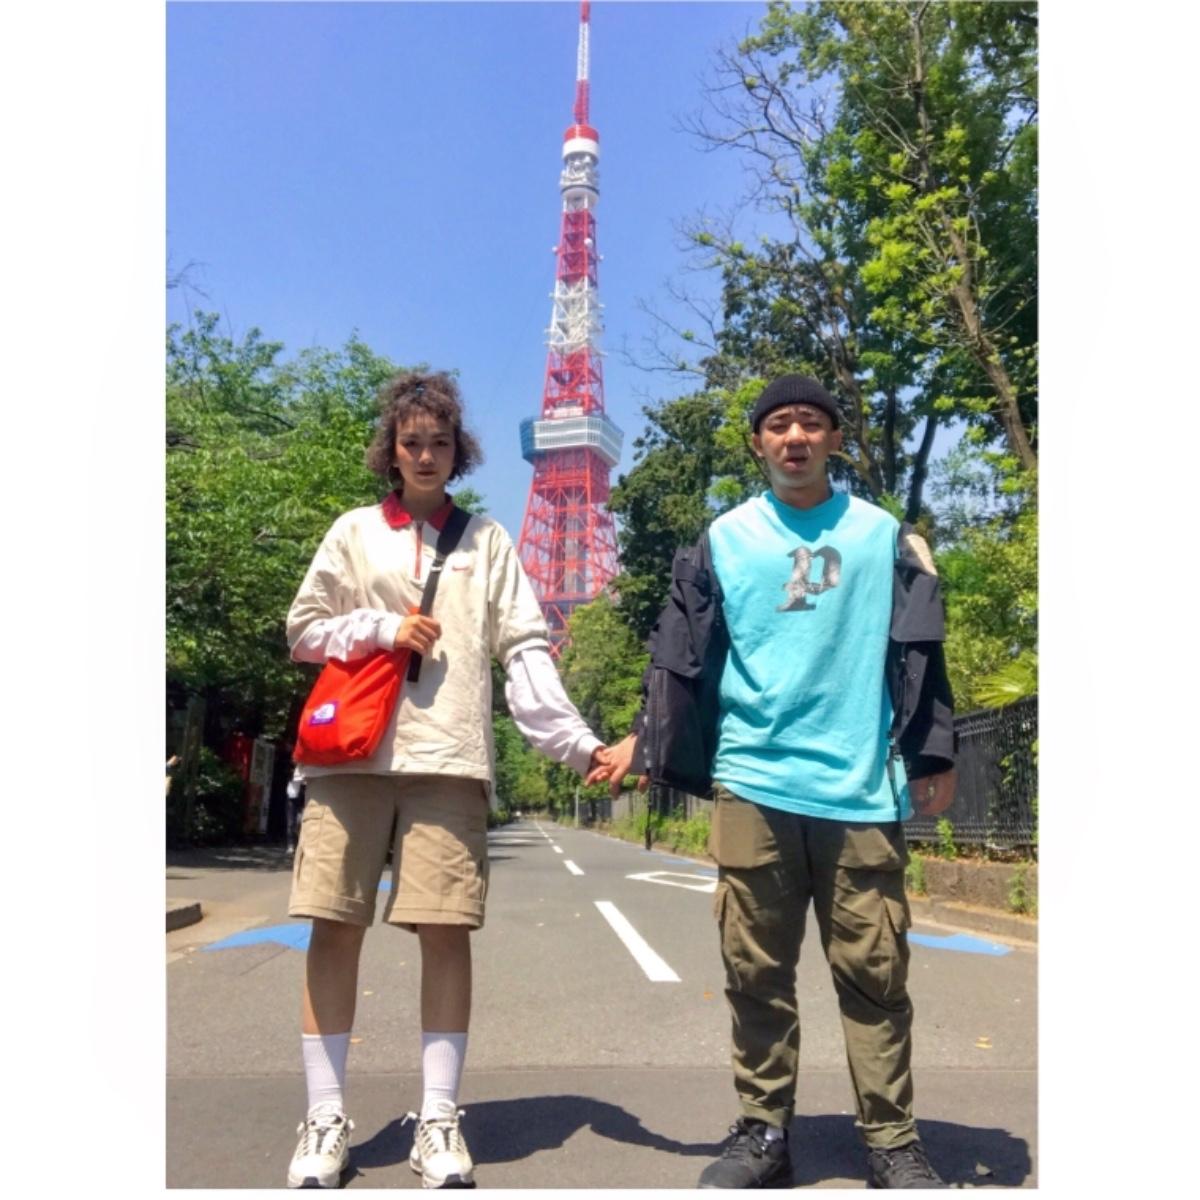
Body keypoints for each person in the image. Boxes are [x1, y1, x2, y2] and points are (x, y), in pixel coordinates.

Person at [590, 375, 957, 1189]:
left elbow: (922, 647)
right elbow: (680, 652)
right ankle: (763, 1131)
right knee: (755, 972)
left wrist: (934, 753)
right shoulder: (723, 539)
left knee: (875, 972)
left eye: (812, 423)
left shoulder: (881, 535)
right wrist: (647, 737)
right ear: (758, 442)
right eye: (780, 424)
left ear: (835, 439)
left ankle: (891, 1139)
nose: (796, 437)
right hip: (753, 779)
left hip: (859, 786)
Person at [283, 370, 610, 1189]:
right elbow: (304, 631)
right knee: (334, 926)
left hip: (450, 758)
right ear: (391, 451)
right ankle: (325, 1117)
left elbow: (525, 647)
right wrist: (382, 626)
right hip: (351, 758)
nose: (425, 456)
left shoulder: (487, 541)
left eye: (438, 443)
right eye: (411, 442)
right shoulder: (354, 531)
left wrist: (577, 746)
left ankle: (438, 1117)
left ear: (457, 451)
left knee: (445, 931)